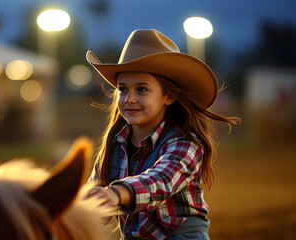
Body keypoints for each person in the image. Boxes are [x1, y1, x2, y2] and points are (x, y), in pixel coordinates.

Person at [85, 29, 240, 240]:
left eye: (141, 89)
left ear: (169, 96)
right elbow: (93, 199)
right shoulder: (114, 145)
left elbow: (161, 180)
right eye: (123, 89)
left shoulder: (186, 143)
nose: (129, 98)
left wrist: (115, 194)